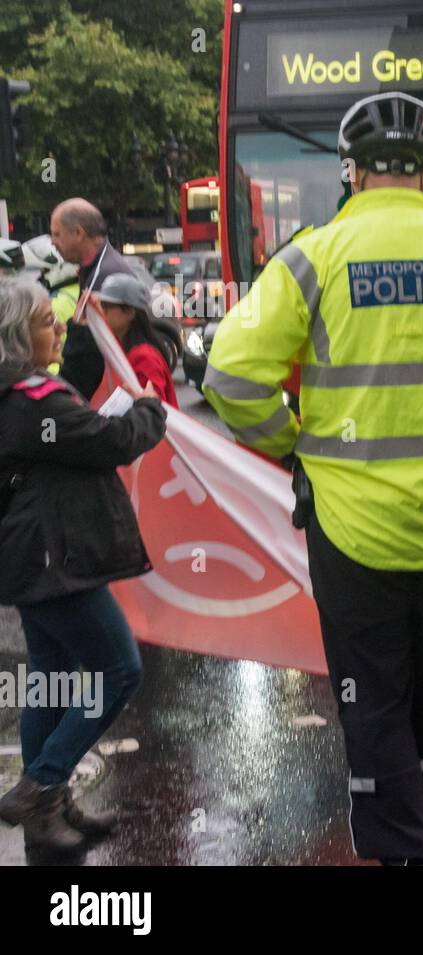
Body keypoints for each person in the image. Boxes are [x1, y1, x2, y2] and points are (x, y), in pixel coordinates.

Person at [203, 91, 423, 866]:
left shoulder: (314, 255)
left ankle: (407, 849)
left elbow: (229, 376)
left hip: (355, 535)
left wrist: (292, 447)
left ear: (352, 171)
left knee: (374, 704)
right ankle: (421, 837)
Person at [0, 278, 166, 855]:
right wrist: (149, 408)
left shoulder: (20, 393)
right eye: (48, 320)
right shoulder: (30, 398)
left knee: (51, 679)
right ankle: (43, 784)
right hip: (52, 561)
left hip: (30, 558)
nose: (58, 329)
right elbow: (110, 439)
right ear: (20, 332)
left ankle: (50, 812)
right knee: (120, 669)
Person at [49, 198, 135, 400]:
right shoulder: (98, 268)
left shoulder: (105, 279)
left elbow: (94, 353)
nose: (52, 242)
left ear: (78, 233)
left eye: (57, 234)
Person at [96, 273, 178, 407]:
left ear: (130, 312)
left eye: (107, 305)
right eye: (101, 304)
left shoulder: (145, 358)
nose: (102, 310)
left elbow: (155, 411)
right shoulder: (121, 348)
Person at [22, 235, 80, 375]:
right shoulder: (76, 290)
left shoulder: (55, 304)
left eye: (39, 273)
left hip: (55, 374)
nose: (35, 279)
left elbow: (50, 353)